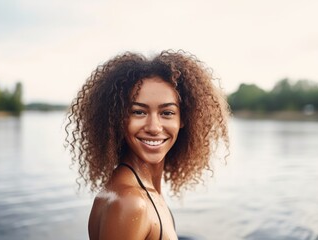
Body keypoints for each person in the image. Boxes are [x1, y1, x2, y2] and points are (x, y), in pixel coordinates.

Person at [65, 50, 230, 240]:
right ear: (119, 118)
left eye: (167, 113)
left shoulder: (144, 190)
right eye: (139, 112)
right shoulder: (131, 203)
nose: (154, 127)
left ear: (183, 119)